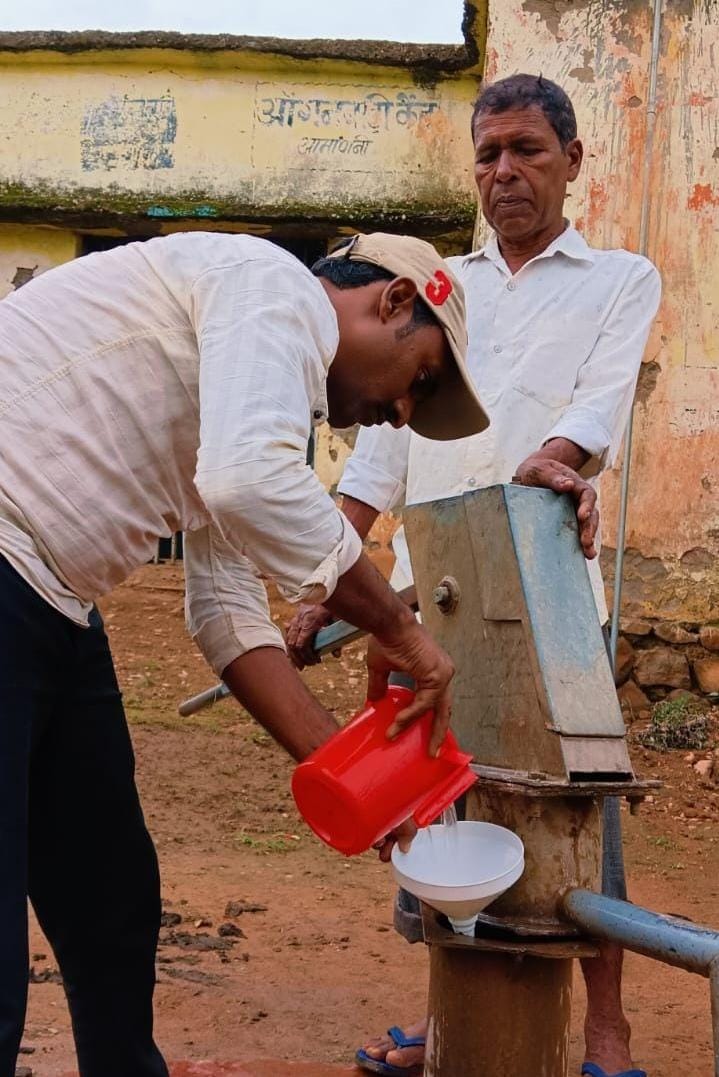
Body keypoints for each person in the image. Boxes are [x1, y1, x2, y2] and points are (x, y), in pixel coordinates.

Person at [0, 229, 492, 1077]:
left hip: (51, 601)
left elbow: (226, 613)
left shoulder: (252, 388)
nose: (403, 411)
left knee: (110, 892)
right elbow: (247, 482)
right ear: (395, 302)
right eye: (420, 379)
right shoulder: (269, 285)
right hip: (9, 571)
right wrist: (397, 627)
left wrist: (360, 782)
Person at [287, 75, 661, 1077]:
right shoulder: (436, 287)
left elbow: (591, 413)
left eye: (526, 150)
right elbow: (383, 444)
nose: (503, 172)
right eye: (487, 152)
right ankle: (452, 1024)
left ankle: (606, 1035)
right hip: (429, 594)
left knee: (574, 810)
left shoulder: (618, 279)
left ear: (571, 161)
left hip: (544, 587)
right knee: (445, 801)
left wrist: (556, 463)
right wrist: (330, 572)